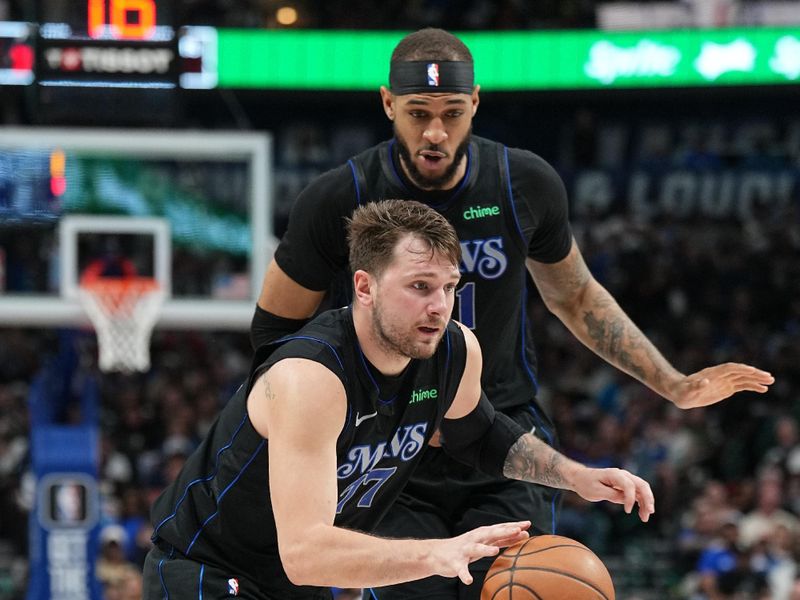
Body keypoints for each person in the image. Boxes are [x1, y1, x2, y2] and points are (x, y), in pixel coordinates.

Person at [250, 28, 774, 599]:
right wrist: (334, 422)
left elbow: (575, 297)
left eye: (451, 112)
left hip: (502, 439)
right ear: (387, 104)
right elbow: (276, 333)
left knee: (527, 589)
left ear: (475, 101)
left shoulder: (522, 183)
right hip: (390, 454)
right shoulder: (337, 198)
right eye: (418, 112)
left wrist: (671, 383)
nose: (434, 131)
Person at [144, 200, 655, 599]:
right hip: (210, 571)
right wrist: (440, 553)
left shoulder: (455, 350)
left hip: (294, 586)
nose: (438, 306)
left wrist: (577, 478)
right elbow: (304, 550)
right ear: (364, 286)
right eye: (419, 286)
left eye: (449, 287)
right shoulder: (311, 377)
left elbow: (478, 435)